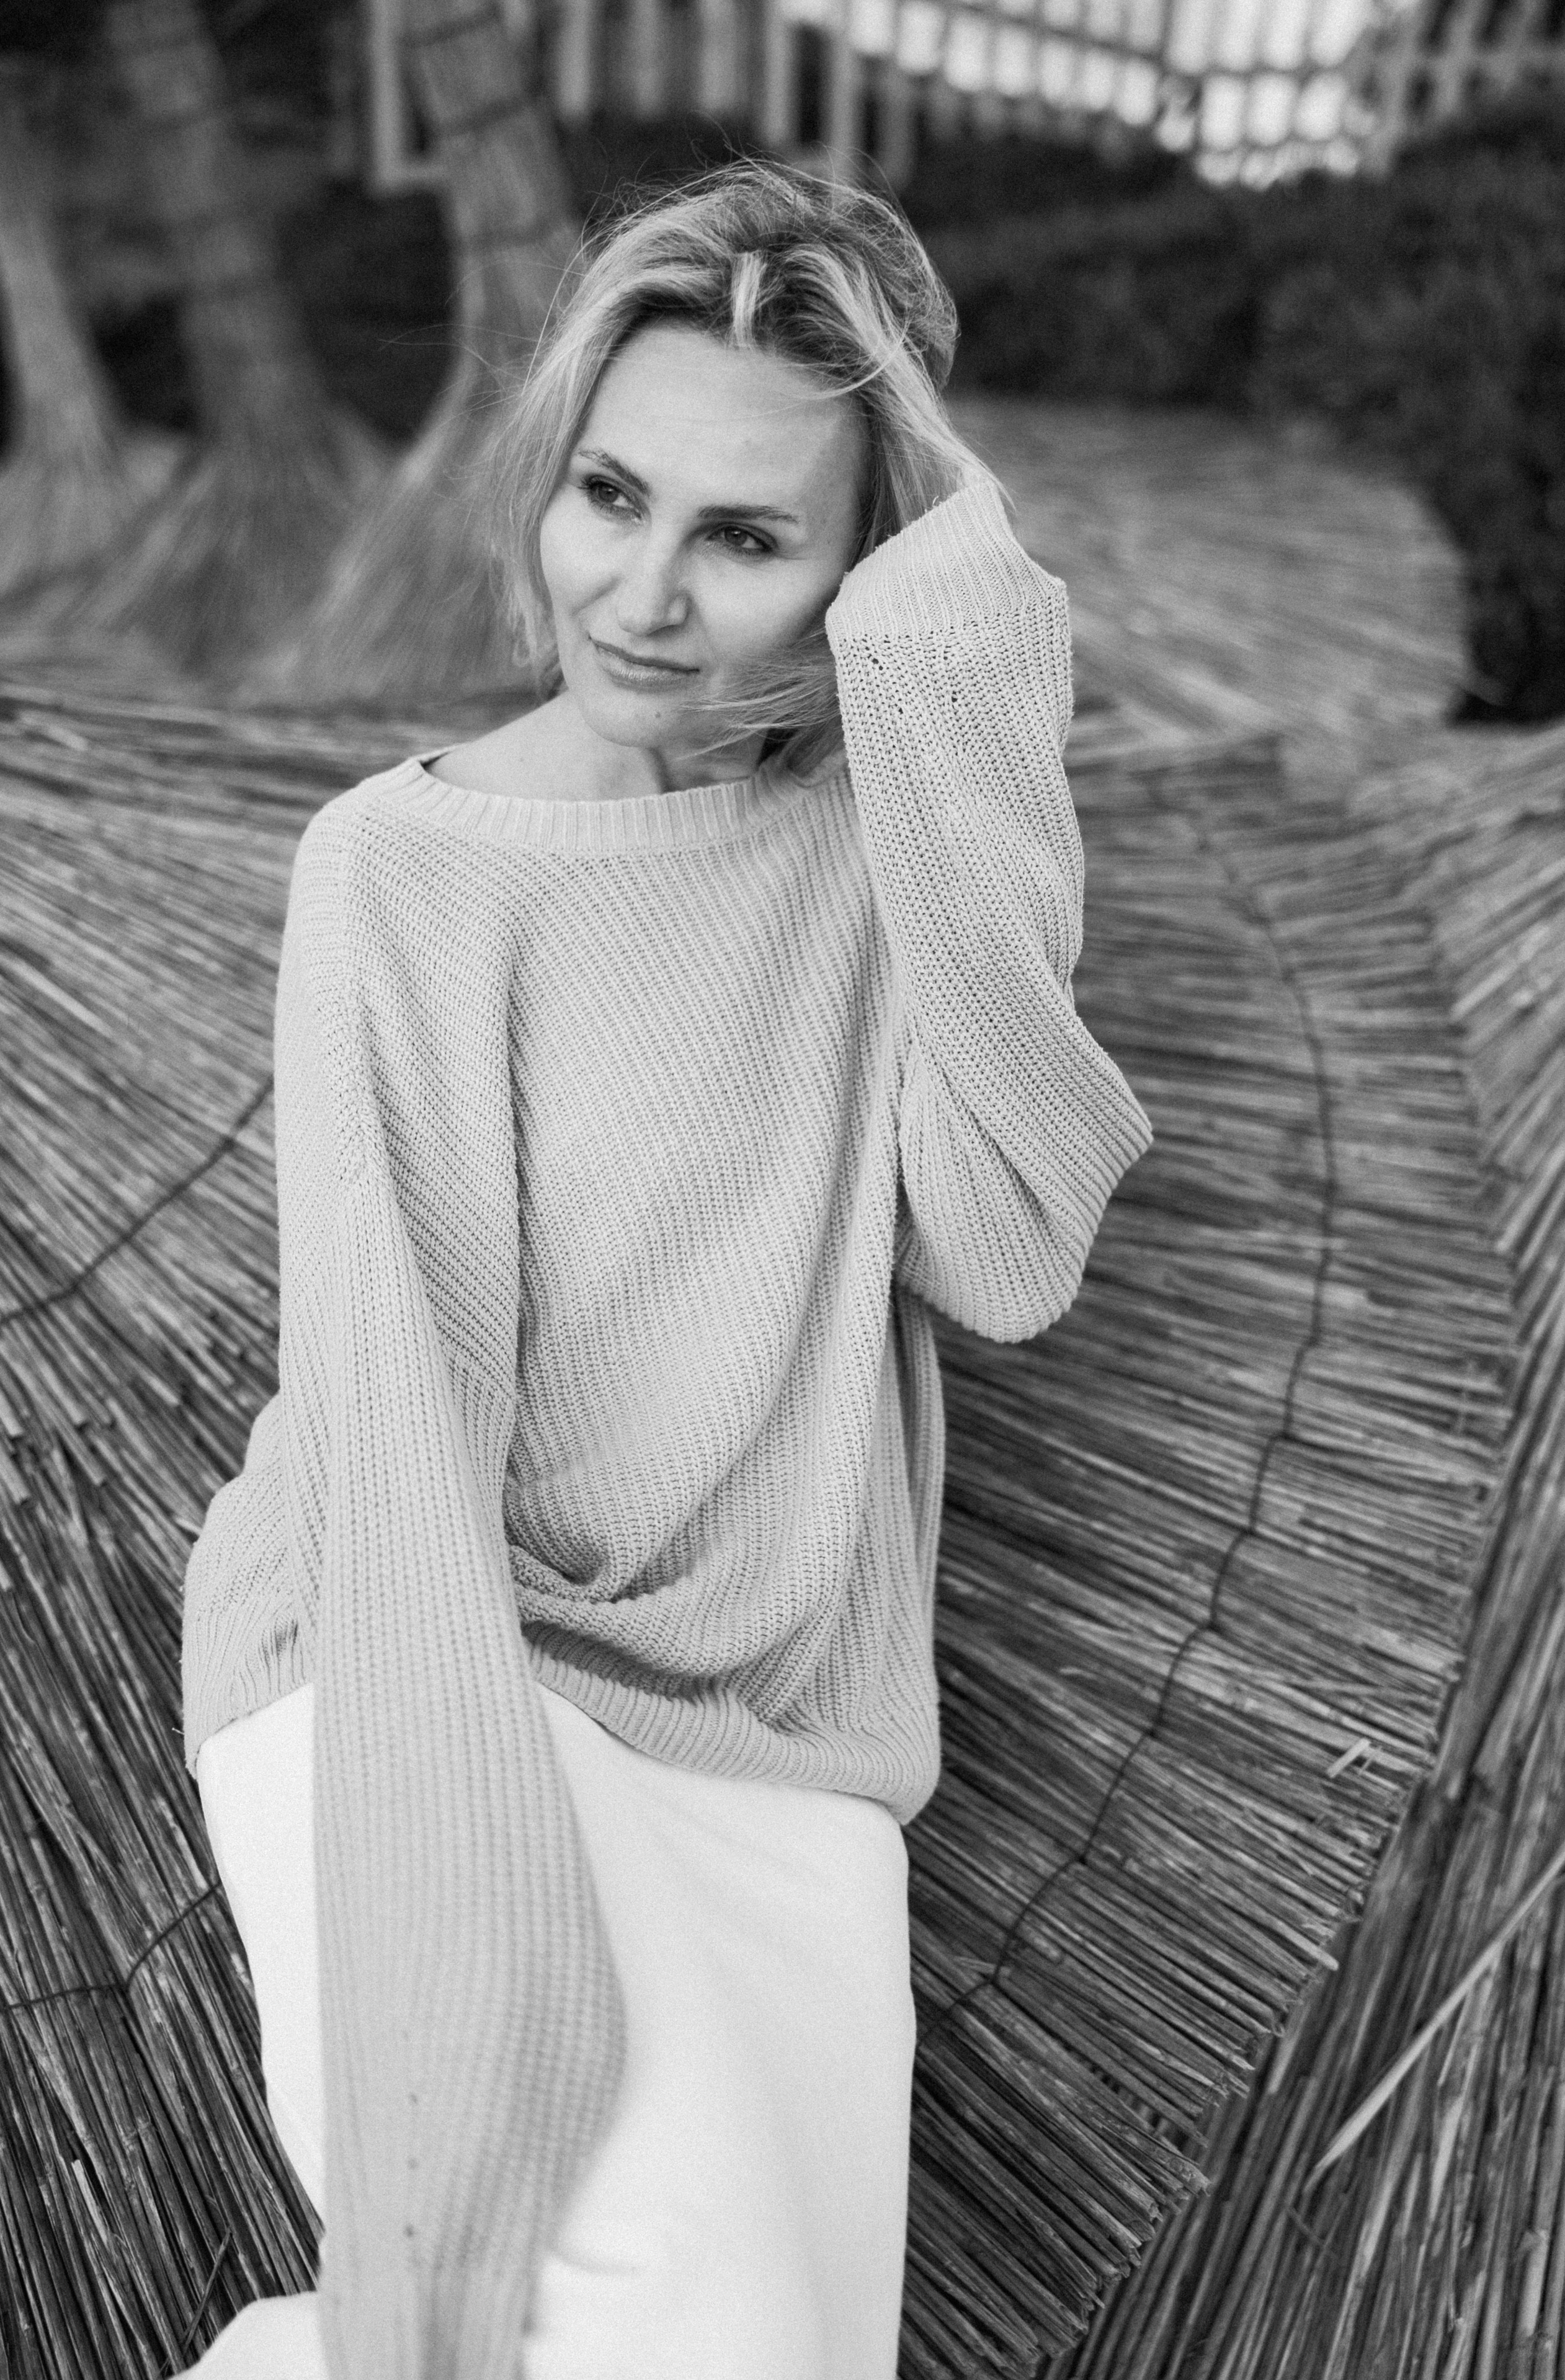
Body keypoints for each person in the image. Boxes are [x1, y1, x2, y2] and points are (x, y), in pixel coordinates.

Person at [177, 160, 1153, 2380]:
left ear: (856, 569)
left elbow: (1006, 1251)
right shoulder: (402, 875)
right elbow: (399, 1439)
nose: (640, 592)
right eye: (608, 495)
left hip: (779, 1740)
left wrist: (952, 650)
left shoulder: (869, 852)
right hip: (423, 1663)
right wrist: (459, 2031)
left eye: (749, 536)